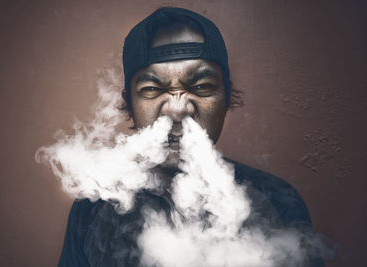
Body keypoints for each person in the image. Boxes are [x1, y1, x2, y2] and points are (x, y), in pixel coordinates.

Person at [58, 7, 324, 267]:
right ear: (129, 103)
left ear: (227, 98)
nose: (178, 108)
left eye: (201, 86)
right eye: (151, 88)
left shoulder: (276, 201)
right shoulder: (93, 209)